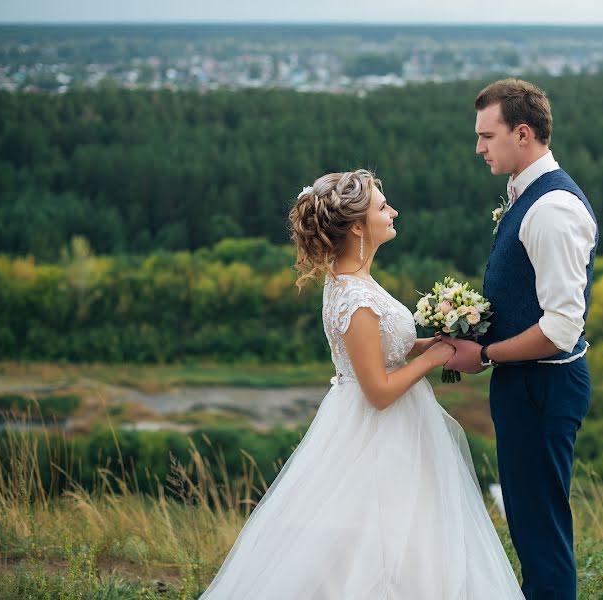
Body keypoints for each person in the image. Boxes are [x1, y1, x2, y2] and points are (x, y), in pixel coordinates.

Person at [199, 169, 524, 599]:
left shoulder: (356, 281)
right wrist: (435, 357)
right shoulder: (353, 297)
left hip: (398, 428)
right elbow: (379, 392)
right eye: (381, 206)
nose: (393, 211)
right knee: (379, 541)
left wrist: (438, 338)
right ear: (356, 225)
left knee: (413, 537)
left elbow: (383, 350)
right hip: (377, 433)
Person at [440, 79, 599, 599]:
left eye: (488, 135)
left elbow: (560, 329)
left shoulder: (553, 210)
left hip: (543, 388)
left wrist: (482, 354)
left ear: (523, 133)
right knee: (531, 529)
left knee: (541, 534)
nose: (478, 147)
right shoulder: (525, 196)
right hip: (526, 386)